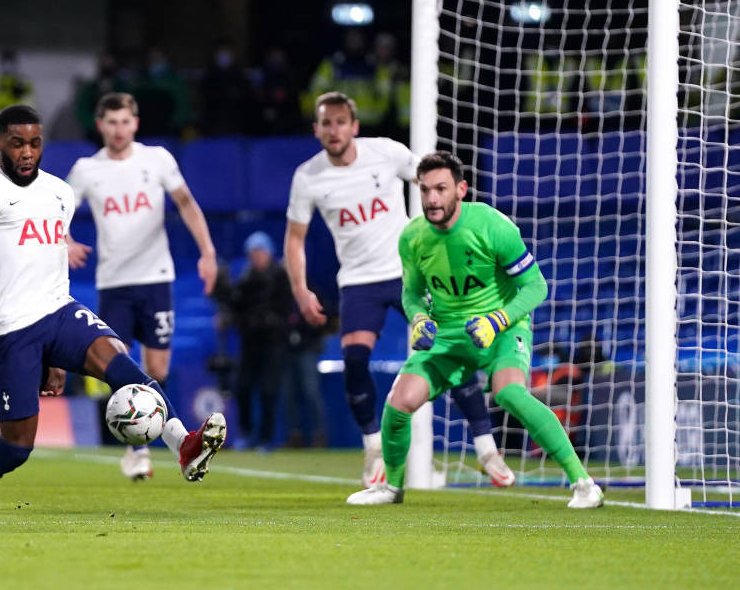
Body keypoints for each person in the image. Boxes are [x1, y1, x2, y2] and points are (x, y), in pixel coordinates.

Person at [0, 105, 226, 510]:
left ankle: (183, 444)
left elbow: (52, 265)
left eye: (35, 143)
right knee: (15, 449)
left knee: (127, 368)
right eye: (17, 143)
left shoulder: (59, 192)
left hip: (60, 312)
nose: (27, 152)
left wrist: (57, 357)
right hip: (13, 331)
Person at [346, 151, 604, 508]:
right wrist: (419, 318)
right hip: (449, 336)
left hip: (501, 328)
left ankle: (584, 484)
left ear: (461, 189)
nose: (432, 198)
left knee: (509, 394)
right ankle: (391, 488)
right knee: (399, 402)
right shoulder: (412, 238)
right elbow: (411, 293)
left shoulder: (492, 225)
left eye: (441, 188)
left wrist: (495, 320)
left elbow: (536, 286)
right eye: (425, 190)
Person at [284, 92, 513, 488]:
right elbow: (293, 239)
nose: (334, 129)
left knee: (451, 350)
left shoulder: (386, 153)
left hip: (411, 271)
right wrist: (301, 290)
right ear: (316, 129)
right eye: (326, 123)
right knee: (354, 360)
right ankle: (374, 449)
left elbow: (432, 182)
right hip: (357, 281)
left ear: (354, 126)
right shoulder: (308, 177)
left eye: (341, 121)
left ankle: (486, 448)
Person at [64, 92, 218, 480]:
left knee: (157, 366)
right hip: (114, 281)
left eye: (125, 121)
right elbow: (56, 210)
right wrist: (64, 240)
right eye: (111, 122)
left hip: (156, 278)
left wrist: (207, 251)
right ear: (101, 125)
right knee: (121, 364)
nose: (119, 129)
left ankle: (149, 438)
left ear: (136, 123)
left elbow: (186, 203)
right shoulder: (86, 169)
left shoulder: (158, 159)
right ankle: (138, 450)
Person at [217, 231, 291, 450]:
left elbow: (286, 308)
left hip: (273, 342)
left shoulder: (281, 276)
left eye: (260, 252)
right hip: (250, 341)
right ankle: (246, 433)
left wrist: (270, 320)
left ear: (269, 253)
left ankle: (267, 438)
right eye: (253, 253)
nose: (257, 257)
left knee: (269, 390)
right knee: (243, 387)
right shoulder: (246, 277)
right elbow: (234, 303)